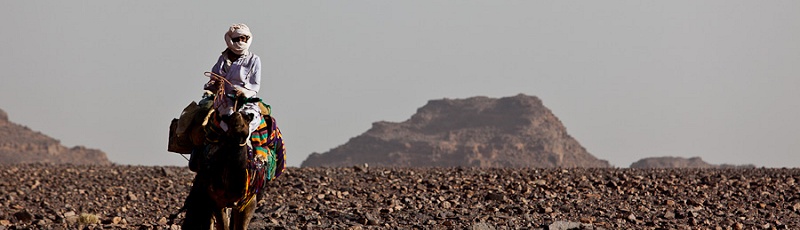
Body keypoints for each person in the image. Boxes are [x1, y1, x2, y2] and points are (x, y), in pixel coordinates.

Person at [189, 23, 263, 171]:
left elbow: (255, 85)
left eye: (244, 38)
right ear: (230, 40)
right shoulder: (222, 60)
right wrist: (214, 85)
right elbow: (212, 78)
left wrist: (243, 92)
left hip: (246, 101)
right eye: (238, 38)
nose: (241, 41)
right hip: (224, 101)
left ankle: (253, 154)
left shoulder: (254, 60)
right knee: (220, 119)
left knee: (253, 119)